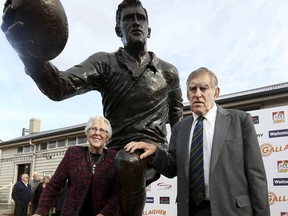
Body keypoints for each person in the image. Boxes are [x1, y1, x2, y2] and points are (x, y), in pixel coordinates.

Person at [1, 0, 183, 215]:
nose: (135, 23)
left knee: (130, 161)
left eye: (140, 18)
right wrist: (27, 54)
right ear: (118, 30)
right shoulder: (104, 63)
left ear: (149, 30)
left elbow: (177, 118)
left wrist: (173, 157)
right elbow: (60, 87)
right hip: (115, 152)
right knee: (90, 174)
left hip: (150, 151)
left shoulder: (168, 72)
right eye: (128, 18)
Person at [125, 67, 270, 216]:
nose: (198, 94)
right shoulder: (179, 128)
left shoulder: (240, 121)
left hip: (232, 210)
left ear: (216, 92)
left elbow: (256, 175)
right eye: (193, 89)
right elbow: (172, 167)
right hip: (191, 210)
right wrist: (156, 151)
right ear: (188, 94)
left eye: (203, 88)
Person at [32, 116, 119, 216]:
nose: (97, 133)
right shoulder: (73, 154)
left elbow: (117, 193)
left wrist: (105, 213)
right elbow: (53, 186)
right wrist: (40, 212)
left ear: (107, 137)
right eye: (93, 129)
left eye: (102, 130)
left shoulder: (114, 158)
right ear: (87, 133)